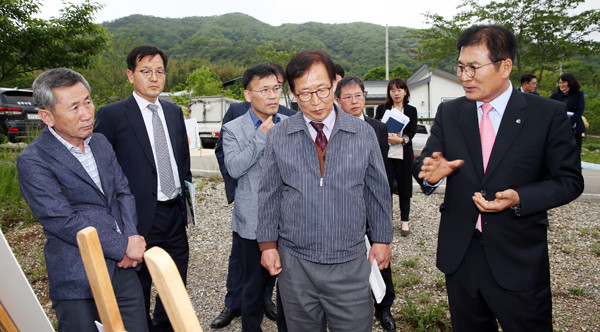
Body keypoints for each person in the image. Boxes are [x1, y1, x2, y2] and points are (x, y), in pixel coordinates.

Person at [412, 25, 584, 331]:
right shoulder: (450, 112)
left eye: (473, 68)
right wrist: (431, 174)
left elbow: (569, 180)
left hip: (517, 257)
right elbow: (427, 164)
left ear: (505, 67)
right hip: (461, 255)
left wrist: (520, 197)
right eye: (461, 67)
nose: (464, 76)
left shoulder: (547, 114)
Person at [257, 50, 393, 331]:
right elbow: (269, 193)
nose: (316, 101)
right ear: (292, 93)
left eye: (322, 90)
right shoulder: (280, 135)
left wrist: (382, 239)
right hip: (296, 265)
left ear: (334, 84)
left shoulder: (362, 132)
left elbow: (377, 190)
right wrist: (268, 245)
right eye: (305, 93)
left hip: (350, 262)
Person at [17, 68, 148, 332]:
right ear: (47, 116)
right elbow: (63, 220)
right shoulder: (34, 160)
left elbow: (122, 191)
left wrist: (132, 237)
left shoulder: (99, 142)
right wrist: (122, 245)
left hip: (123, 270)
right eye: (74, 107)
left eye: (88, 101)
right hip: (78, 278)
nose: (87, 114)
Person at [94, 45, 192, 332]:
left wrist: (186, 203)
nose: (154, 77)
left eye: (159, 71)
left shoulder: (173, 112)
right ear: (130, 75)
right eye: (145, 71)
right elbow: (102, 171)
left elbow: (181, 162)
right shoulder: (112, 115)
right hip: (135, 219)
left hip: (173, 214)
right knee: (138, 288)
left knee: (174, 282)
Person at [212, 63, 295, 329]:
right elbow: (234, 167)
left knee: (290, 287)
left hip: (290, 219)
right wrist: (262, 135)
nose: (272, 96)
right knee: (252, 285)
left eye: (276, 89)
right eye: (264, 90)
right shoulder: (233, 129)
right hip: (253, 223)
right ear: (248, 95)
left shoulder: (293, 123)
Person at [335, 75, 396, 331]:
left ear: (365, 97)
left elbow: (379, 173)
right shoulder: (332, 127)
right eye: (347, 97)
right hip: (345, 206)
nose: (354, 101)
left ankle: (384, 307)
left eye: (358, 95)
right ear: (338, 101)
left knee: (380, 255)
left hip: (371, 203)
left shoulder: (377, 128)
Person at [375, 78, 417, 237]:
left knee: (405, 187)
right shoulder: (382, 108)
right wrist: (387, 137)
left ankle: (404, 221)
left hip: (403, 154)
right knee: (385, 188)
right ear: (389, 93)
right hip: (386, 154)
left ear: (405, 91)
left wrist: (401, 139)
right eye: (393, 90)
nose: (396, 93)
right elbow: (378, 127)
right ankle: (387, 220)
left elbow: (412, 131)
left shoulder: (411, 110)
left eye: (399, 90)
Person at [551, 73, 586, 158]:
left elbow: (579, 110)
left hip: (574, 127)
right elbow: (551, 110)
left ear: (570, 83)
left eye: (563, 82)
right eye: (560, 83)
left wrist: (569, 122)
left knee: (575, 153)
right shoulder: (555, 96)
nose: (561, 85)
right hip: (559, 127)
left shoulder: (578, 94)